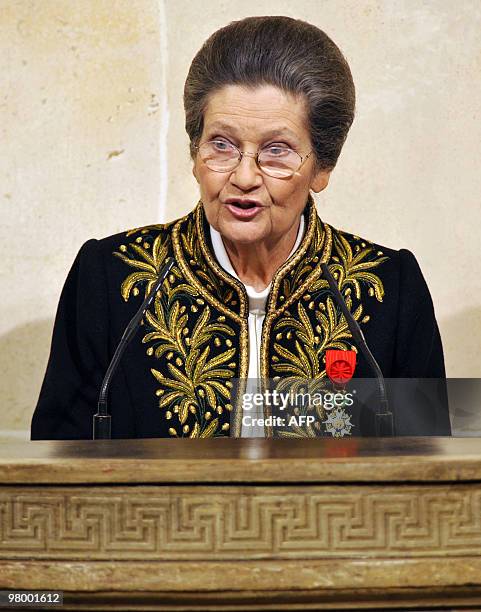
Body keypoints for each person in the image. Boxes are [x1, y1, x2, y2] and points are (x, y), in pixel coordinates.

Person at [31, 16, 451, 441]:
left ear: (322, 168)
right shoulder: (113, 279)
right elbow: (57, 461)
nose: (245, 176)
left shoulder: (387, 289)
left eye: (277, 150)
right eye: (222, 145)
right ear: (195, 155)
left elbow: (428, 478)